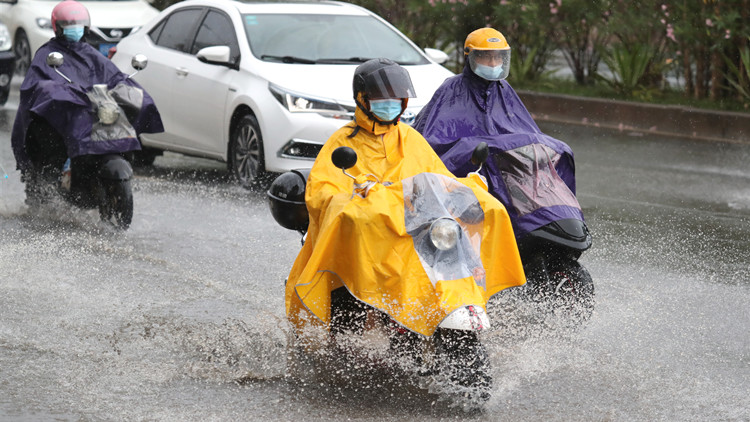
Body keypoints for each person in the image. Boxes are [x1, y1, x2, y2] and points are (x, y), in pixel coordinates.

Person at [284, 58, 526, 337]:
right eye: (381, 99)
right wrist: (352, 199)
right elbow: (322, 192)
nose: (390, 104)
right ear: (362, 99)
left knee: (489, 209)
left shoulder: (410, 138)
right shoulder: (342, 142)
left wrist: (470, 189)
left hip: (417, 235)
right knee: (347, 315)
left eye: (396, 99)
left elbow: (438, 178)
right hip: (372, 241)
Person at [413, 27, 584, 239]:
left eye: (498, 58)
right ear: (471, 57)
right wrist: (471, 152)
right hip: (470, 174)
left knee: (559, 152)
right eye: (487, 58)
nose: (493, 64)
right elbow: (434, 145)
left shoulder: (504, 90)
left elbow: (526, 133)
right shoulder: (452, 89)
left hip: (503, 169)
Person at [11, 0, 162, 199]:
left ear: (86, 27)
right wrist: (61, 93)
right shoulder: (48, 55)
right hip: (59, 119)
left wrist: (128, 89)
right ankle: (52, 187)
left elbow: (113, 76)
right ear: (58, 27)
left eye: (78, 25)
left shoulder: (91, 54)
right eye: (69, 25)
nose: (74, 29)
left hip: (93, 115)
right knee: (50, 152)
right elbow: (38, 85)